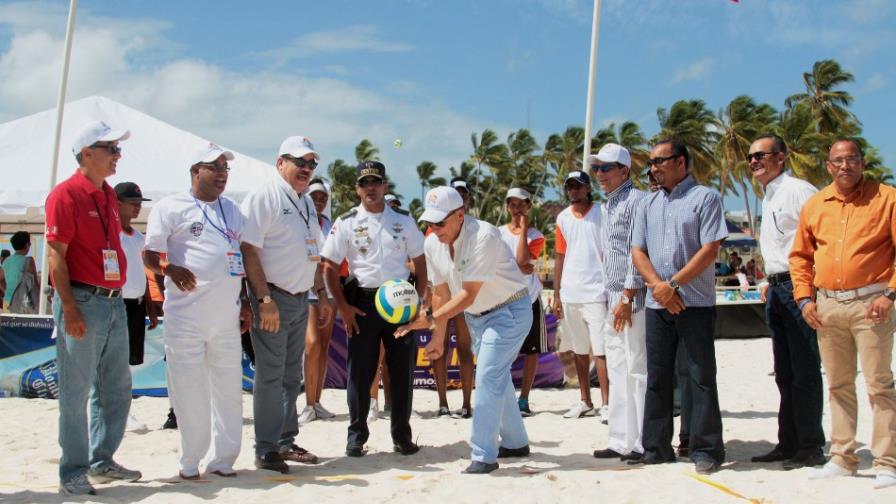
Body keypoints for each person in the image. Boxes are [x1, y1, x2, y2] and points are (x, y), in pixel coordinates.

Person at [397, 186, 532, 474]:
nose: (433, 228)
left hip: (510, 310)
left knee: (487, 375)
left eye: (440, 222)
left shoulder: (484, 235)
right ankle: (516, 442)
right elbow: (442, 294)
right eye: (429, 222)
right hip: (476, 317)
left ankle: (483, 455)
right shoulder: (432, 243)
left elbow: (468, 294)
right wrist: (436, 337)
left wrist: (429, 319)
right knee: (496, 375)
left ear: (460, 215)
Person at [790, 138, 896, 489]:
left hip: (873, 304)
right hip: (828, 306)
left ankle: (887, 462)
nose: (846, 165)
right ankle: (842, 456)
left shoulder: (887, 198)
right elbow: (801, 257)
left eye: (852, 159)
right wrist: (805, 300)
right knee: (837, 384)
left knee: (879, 384)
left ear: (862, 163)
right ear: (829, 166)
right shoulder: (815, 205)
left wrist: (891, 294)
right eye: (839, 160)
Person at [144, 143, 252, 480]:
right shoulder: (170, 207)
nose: (222, 174)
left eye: (225, 168)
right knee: (189, 390)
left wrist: (247, 301)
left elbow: (242, 259)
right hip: (186, 316)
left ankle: (223, 460)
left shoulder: (233, 210)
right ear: (195, 171)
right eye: (215, 167)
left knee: (229, 390)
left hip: (226, 316)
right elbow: (149, 255)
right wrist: (169, 268)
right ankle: (190, 461)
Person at [45, 120, 141, 495]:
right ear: (87, 153)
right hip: (83, 300)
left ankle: (102, 460)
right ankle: (73, 470)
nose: (118, 155)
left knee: (116, 387)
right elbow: (55, 255)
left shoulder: (105, 195)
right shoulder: (65, 195)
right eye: (112, 149)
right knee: (76, 391)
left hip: (114, 302)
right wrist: (69, 309)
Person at [630, 138, 727, 474]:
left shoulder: (706, 198)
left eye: (660, 161)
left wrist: (673, 286)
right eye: (651, 163)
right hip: (658, 306)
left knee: (700, 377)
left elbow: (710, 249)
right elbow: (637, 252)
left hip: (694, 304)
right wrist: (659, 288)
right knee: (658, 377)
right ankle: (656, 447)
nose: (653, 168)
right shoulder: (647, 204)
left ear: (681, 162)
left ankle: (706, 449)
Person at [321, 160, 427, 457]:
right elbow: (328, 265)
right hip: (363, 305)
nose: (371, 187)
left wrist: (418, 306)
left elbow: (420, 263)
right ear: (357, 188)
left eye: (376, 182)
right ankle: (356, 437)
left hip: (400, 305)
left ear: (385, 186)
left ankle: (402, 437)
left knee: (402, 371)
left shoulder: (404, 221)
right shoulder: (347, 221)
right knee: (360, 373)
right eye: (365, 182)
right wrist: (342, 306)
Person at [240, 137, 331, 472]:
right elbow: (248, 250)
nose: (306, 169)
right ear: (281, 162)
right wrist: (264, 299)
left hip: (299, 297)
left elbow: (313, 252)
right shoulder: (265, 196)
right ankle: (265, 448)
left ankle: (285, 440)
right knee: (270, 375)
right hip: (273, 297)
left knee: (291, 376)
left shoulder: (305, 201)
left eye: (311, 164)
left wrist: (320, 294)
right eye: (300, 162)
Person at [746, 134, 825, 470]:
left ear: (781, 157)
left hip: (798, 287)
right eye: (750, 157)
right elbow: (780, 246)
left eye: (760, 155)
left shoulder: (798, 190)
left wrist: (809, 290)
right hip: (777, 289)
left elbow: (819, 240)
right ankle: (789, 441)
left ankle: (810, 445)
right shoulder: (770, 195)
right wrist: (767, 281)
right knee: (784, 372)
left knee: (805, 369)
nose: (753, 162)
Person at [587, 144, 649, 461]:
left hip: (631, 298)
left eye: (606, 168)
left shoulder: (637, 201)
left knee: (636, 368)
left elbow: (637, 253)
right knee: (616, 367)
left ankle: (639, 441)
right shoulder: (608, 205)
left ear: (624, 171)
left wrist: (627, 295)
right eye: (597, 168)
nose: (600, 174)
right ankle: (620, 438)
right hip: (610, 297)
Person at [552, 170, 610, 421]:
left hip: (597, 291)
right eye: (570, 187)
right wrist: (556, 294)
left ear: (588, 188)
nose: (574, 190)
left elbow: (610, 251)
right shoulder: (562, 218)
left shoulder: (603, 212)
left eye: (578, 186)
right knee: (578, 350)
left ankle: (607, 403)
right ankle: (585, 401)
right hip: (570, 292)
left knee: (601, 350)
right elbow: (560, 256)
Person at [497, 188, 547, 416]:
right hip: (504, 297)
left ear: (529, 206)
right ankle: (504, 395)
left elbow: (522, 260)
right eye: (513, 204)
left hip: (530, 297)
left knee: (531, 351)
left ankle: (524, 398)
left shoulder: (535, 235)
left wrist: (524, 229)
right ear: (507, 206)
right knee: (504, 350)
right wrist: (517, 267)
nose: (517, 209)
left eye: (522, 204)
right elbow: (514, 265)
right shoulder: (497, 234)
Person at [114, 182, 159, 432]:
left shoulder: (139, 237)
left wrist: (150, 305)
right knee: (113, 362)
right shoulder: (110, 235)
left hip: (136, 305)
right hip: (114, 302)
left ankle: (124, 410)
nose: (137, 207)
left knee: (129, 363)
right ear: (116, 203)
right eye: (132, 202)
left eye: (139, 202)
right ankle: (116, 412)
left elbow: (141, 274)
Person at [429, 177, 476, 418]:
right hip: (446, 295)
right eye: (455, 192)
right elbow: (438, 286)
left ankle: (467, 403)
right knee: (441, 347)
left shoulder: (477, 232)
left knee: (465, 350)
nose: (460, 195)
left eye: (462, 193)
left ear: (465, 201)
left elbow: (471, 289)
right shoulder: (435, 234)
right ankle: (443, 403)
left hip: (467, 298)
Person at [299, 179, 338, 425]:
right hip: (307, 290)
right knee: (311, 345)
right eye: (315, 196)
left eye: (323, 197)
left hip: (330, 292)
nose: (319, 201)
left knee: (323, 348)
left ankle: (317, 401)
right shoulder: (301, 222)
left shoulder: (330, 225)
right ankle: (308, 404)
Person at [1, 231, 37, 312]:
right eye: (30, 244)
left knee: (7, 324)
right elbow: (35, 285)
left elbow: (0, 279)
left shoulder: (7, 260)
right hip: (22, 303)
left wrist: (6, 290)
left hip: (7, 301)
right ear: (26, 245)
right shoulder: (28, 261)